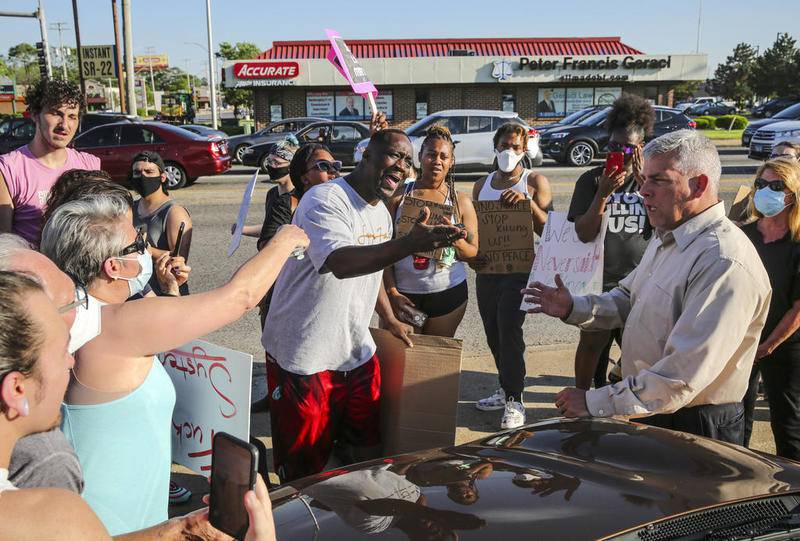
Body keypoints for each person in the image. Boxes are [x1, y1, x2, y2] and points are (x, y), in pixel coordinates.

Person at [39, 194, 308, 535]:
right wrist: (285, 239)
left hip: (97, 515)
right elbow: (240, 297)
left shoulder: (76, 318)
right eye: (137, 242)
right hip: (116, 524)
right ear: (114, 267)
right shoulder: (116, 324)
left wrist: (168, 291)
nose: (147, 247)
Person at [523, 130, 772, 444]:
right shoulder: (669, 235)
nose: (644, 192)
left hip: (695, 426)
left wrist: (593, 401)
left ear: (699, 185)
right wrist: (574, 306)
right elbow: (628, 297)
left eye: (659, 180)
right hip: (652, 409)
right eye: (645, 179)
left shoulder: (723, 261)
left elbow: (681, 376)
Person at [0, 271, 278, 541]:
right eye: (63, 351)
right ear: (16, 389)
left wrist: (181, 531)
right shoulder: (49, 519)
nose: (72, 362)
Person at [263, 129, 465, 483]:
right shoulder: (324, 200)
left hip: (356, 352)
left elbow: (371, 270)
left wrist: (389, 314)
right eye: (394, 156)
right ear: (367, 156)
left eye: (407, 162)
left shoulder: (381, 213)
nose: (402, 167)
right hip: (305, 355)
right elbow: (341, 262)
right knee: (304, 468)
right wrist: (407, 245)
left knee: (367, 453)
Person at [567, 94, 653, 390]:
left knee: (637, 352)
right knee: (591, 345)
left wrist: (646, 186)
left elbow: (665, 227)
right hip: (599, 281)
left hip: (640, 281)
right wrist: (602, 193)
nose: (617, 152)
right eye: (613, 146)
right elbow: (584, 233)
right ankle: (581, 399)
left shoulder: (652, 184)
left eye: (626, 147)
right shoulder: (590, 180)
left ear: (639, 148)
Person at [471, 122, 552, 430]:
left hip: (520, 270)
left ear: (525, 149)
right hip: (488, 269)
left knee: (509, 327)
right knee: (492, 330)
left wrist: (528, 206)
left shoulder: (535, 182)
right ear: (496, 147)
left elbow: (549, 229)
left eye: (516, 146)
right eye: (504, 145)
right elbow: (477, 228)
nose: (509, 151)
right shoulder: (483, 184)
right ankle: (505, 387)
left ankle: (515, 399)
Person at [249, 141, 340, 412]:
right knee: (283, 355)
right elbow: (266, 246)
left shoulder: (339, 203)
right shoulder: (286, 203)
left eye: (336, 166)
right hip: (285, 292)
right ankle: (277, 398)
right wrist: (296, 241)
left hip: (322, 294)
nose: (333, 172)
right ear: (303, 176)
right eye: (323, 167)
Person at [384, 126, 479, 337]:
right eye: (431, 154)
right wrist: (392, 293)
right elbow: (384, 251)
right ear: (420, 157)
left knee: (434, 363)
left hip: (447, 294)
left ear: (451, 161)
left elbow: (473, 253)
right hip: (404, 294)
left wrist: (454, 239)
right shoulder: (398, 197)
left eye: (444, 156)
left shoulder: (460, 202)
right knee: (402, 362)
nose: (437, 161)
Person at [741, 159, 800, 460]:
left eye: (777, 186)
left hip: (785, 348)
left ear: (793, 194)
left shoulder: (797, 242)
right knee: (736, 424)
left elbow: (798, 309)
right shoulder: (743, 238)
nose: (767, 192)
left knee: (788, 427)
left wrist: (767, 346)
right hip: (741, 345)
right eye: (761, 185)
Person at [0, 78, 100, 244]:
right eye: (56, 113)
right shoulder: (9, 169)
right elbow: (4, 245)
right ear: (34, 114)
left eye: (72, 116)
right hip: (31, 267)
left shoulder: (90, 165)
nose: (65, 125)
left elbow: (102, 227)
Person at [130, 151, 193, 296]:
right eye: (137, 172)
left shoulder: (174, 212)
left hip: (168, 292)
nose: (143, 177)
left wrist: (146, 249)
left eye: (149, 171)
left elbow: (178, 261)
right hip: (137, 294)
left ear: (163, 177)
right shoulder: (129, 208)